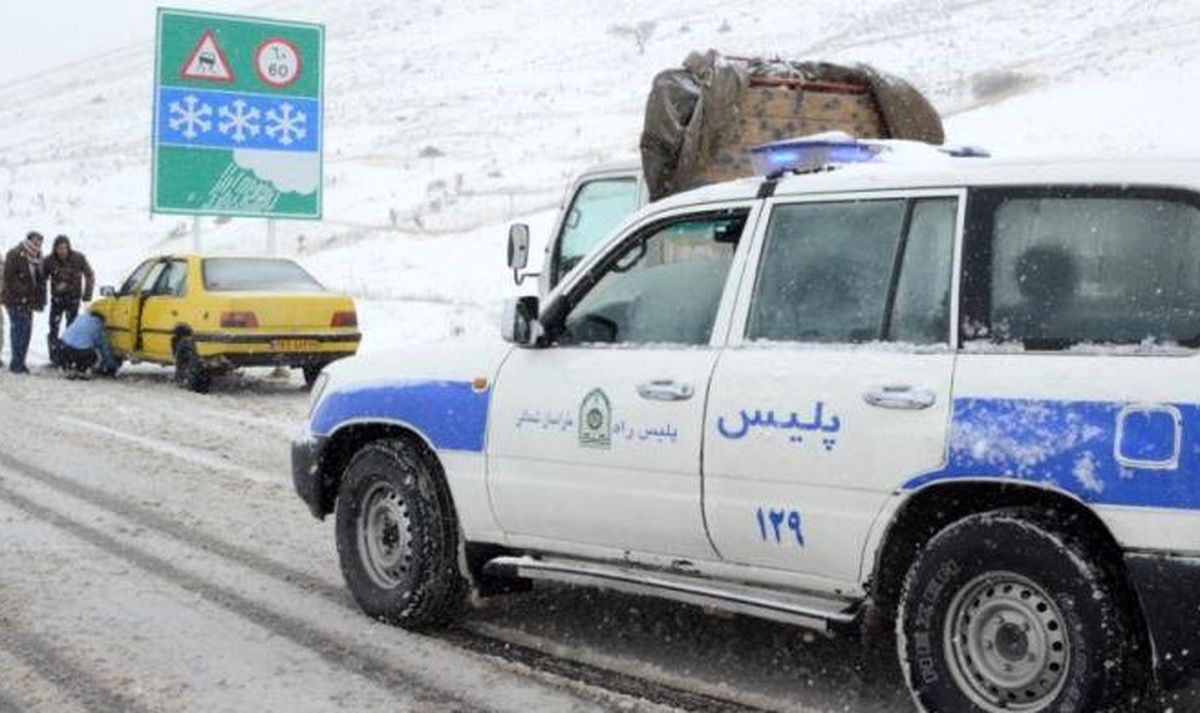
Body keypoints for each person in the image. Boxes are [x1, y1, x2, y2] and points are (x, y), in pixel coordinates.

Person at [1, 232, 45, 374]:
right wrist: (26, 291)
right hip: (14, 300)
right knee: (18, 330)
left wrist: (38, 298)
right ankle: (16, 364)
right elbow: (9, 279)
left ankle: (21, 362)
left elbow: (39, 279)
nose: (37, 244)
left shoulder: (38, 256)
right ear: (28, 240)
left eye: (39, 242)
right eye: (35, 241)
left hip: (29, 302)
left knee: (26, 332)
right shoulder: (14, 254)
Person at [42, 234, 94, 347]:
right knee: (53, 327)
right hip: (57, 300)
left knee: (72, 328)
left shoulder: (78, 258)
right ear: (55, 249)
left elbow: (89, 275)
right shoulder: (49, 260)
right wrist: (42, 297)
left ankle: (69, 354)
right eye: (59, 248)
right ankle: (54, 353)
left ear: (68, 247)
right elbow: (41, 279)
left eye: (64, 248)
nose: (62, 251)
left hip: (73, 299)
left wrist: (87, 295)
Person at [57, 308, 118, 378]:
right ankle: (82, 369)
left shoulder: (80, 318)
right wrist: (112, 367)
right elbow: (104, 349)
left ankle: (66, 366)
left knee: (74, 349)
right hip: (81, 353)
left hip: (63, 348)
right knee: (92, 354)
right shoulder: (99, 325)